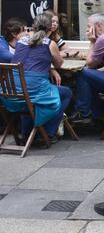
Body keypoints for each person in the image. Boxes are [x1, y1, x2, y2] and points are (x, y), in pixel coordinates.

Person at [10, 13, 72, 143]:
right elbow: (59, 63)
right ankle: (48, 133)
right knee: (66, 93)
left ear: (33, 27)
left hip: (11, 95)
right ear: (50, 29)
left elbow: (26, 61)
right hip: (34, 93)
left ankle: (26, 133)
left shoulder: (20, 42)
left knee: (28, 93)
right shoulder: (50, 44)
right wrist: (51, 66)